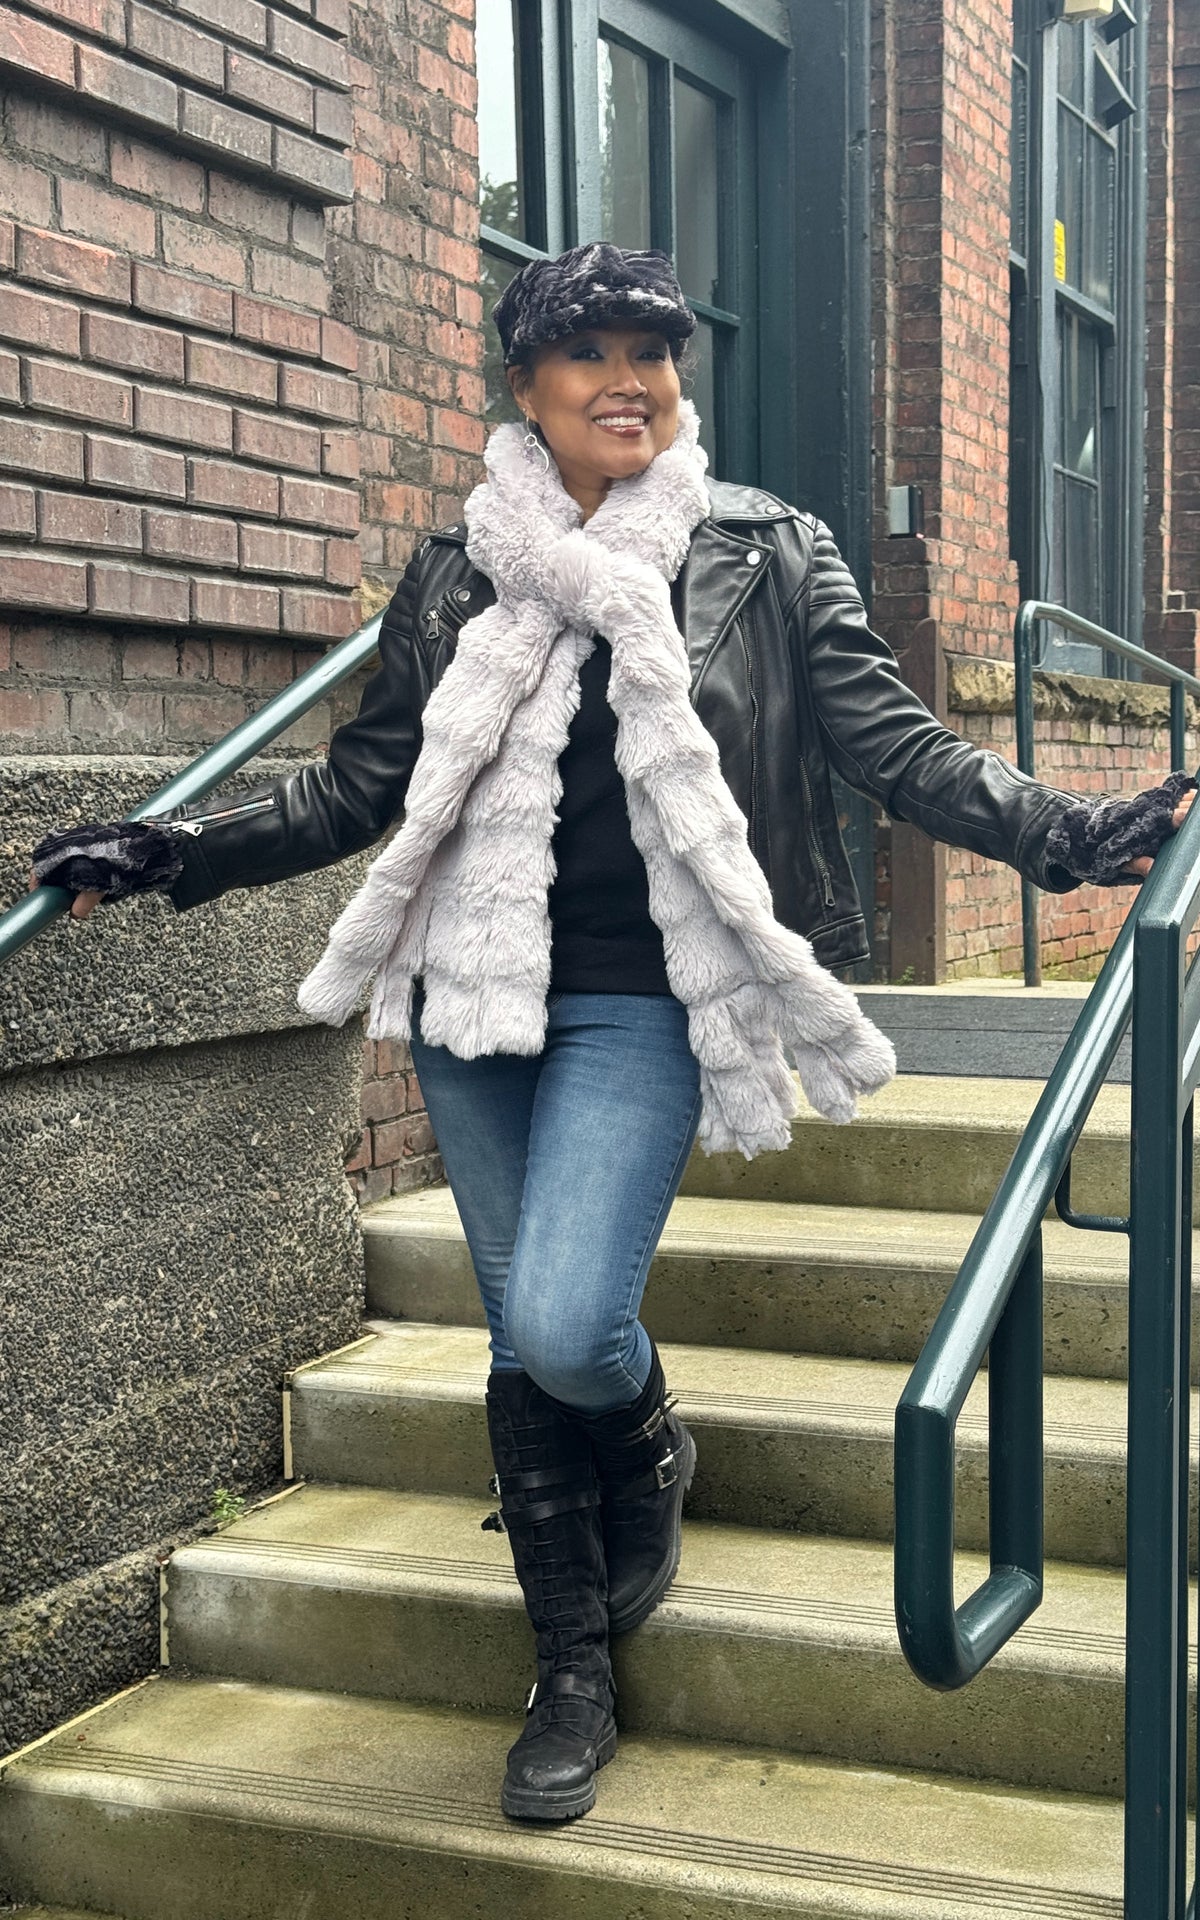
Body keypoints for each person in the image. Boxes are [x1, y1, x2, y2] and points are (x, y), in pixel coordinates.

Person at [30, 242, 1194, 1826]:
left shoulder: (764, 549)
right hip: (473, 994)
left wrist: (1062, 830)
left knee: (574, 1323)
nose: (628, 377)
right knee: (521, 1335)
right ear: (527, 389)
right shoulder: (456, 572)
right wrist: (177, 845)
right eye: (587, 353)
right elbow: (364, 789)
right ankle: (569, 1667)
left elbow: (888, 739)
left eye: (653, 347)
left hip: (652, 997)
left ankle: (643, 1443)